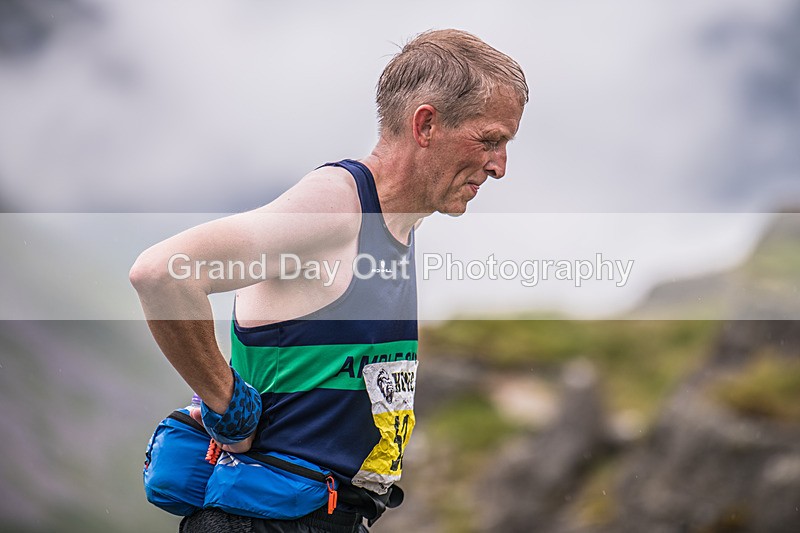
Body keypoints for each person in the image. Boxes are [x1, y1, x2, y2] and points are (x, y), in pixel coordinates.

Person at [130, 28, 527, 533]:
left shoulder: (399, 218)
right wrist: (227, 404)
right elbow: (162, 272)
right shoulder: (336, 208)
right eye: (490, 140)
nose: (500, 167)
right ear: (425, 124)